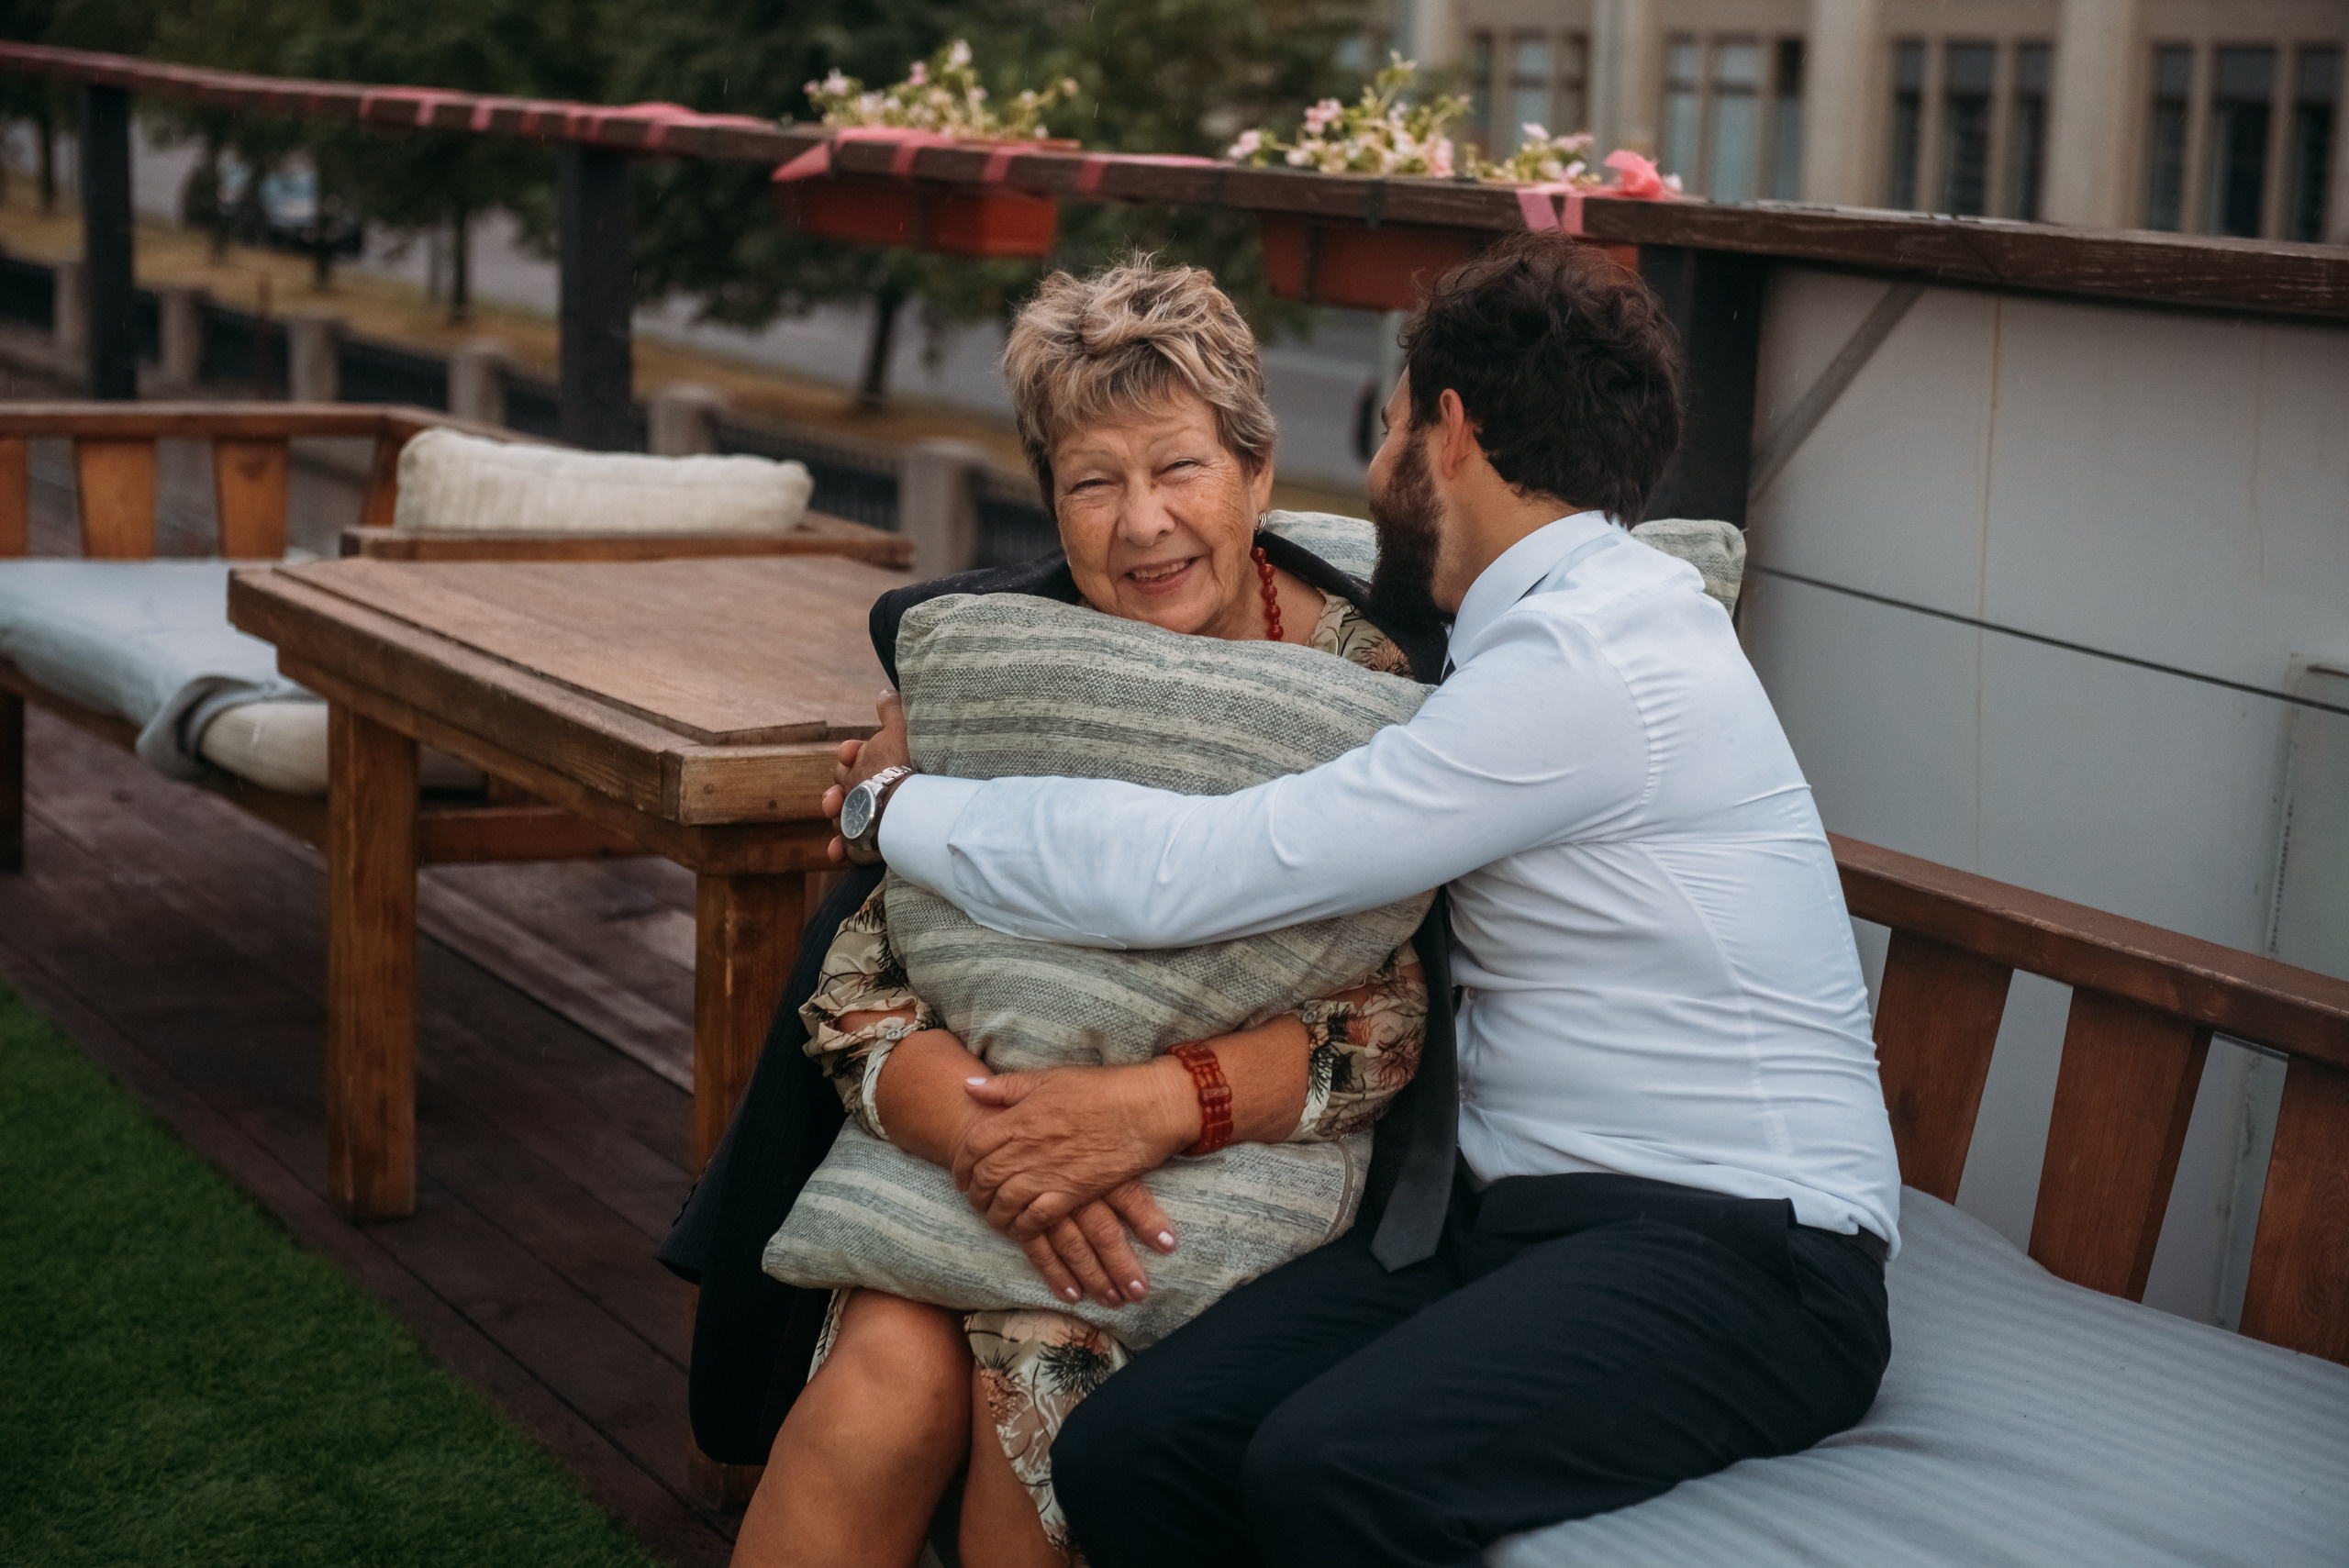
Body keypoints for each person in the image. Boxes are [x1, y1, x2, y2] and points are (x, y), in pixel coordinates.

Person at [825, 229, 1903, 1568]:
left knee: (1331, 1471)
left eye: (1392, 423)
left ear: (1449, 429)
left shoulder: (1579, 664)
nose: (1381, 461)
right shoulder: (1540, 619)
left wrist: (893, 807)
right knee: (1131, 1451)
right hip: (1514, 1225)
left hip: (1746, 1261)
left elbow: (1191, 874)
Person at [721, 260, 1442, 1568]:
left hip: (1220, 1175)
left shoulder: (1374, 692)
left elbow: (1388, 1017)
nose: (1141, 522)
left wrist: (1143, 1111)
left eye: (1179, 468)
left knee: (1030, 1400)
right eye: (1092, 483)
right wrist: (1007, 1148)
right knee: (890, 1384)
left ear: (1258, 475)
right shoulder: (1014, 658)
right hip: (973, 1145)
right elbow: (864, 979)